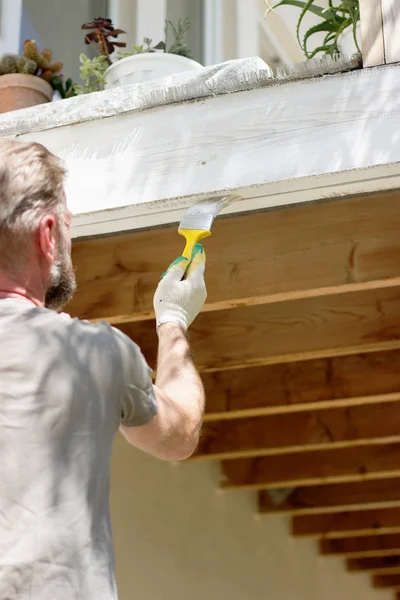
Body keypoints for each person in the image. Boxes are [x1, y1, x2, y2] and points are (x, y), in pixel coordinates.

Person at [0, 137, 207, 599]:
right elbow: (179, 431)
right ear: (48, 234)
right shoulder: (94, 352)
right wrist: (173, 321)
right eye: (69, 228)